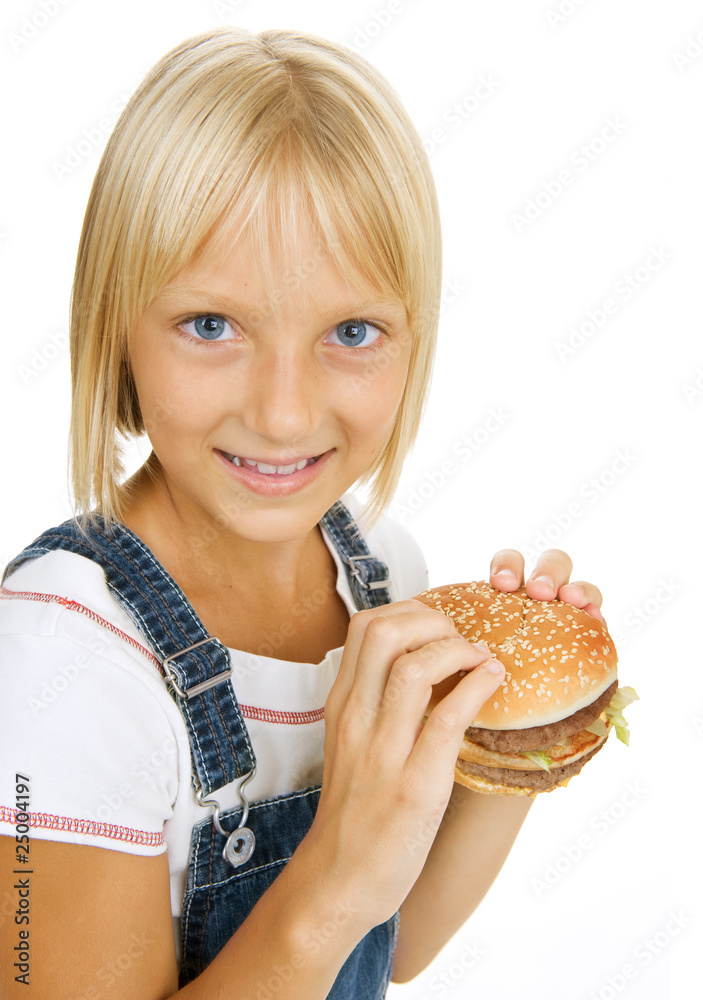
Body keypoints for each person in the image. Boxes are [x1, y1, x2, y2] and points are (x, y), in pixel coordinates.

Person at [0, 27, 606, 998]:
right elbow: (344, 904)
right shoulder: (67, 659)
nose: (283, 413)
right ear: (115, 329)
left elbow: (393, 939)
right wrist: (331, 880)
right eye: (211, 325)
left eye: (352, 331)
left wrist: (515, 735)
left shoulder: (385, 577)